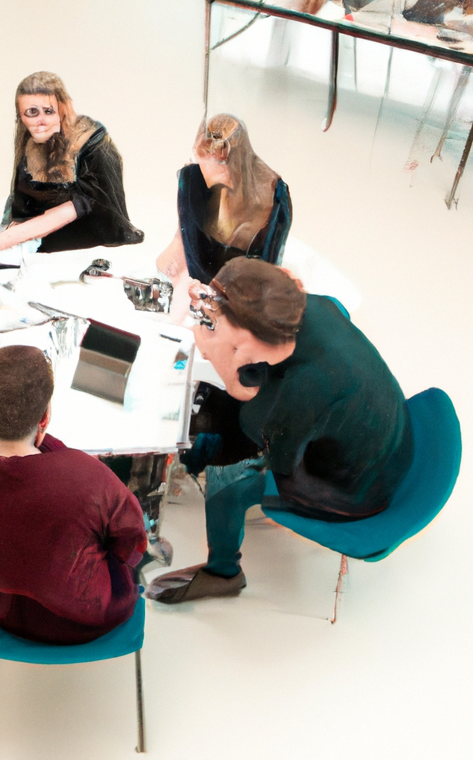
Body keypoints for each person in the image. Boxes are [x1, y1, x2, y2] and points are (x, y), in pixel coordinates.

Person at [148, 257, 414, 604]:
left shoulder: (304, 390)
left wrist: (218, 355)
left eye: (236, 344)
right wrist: (217, 305)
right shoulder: (313, 306)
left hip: (354, 490)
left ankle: (223, 572)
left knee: (226, 480)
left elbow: (277, 453)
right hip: (390, 442)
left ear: (254, 340)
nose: (229, 347)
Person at [0, 345, 147, 644]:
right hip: (90, 619)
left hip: (9, 615)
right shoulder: (88, 476)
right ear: (45, 416)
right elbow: (133, 541)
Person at [0, 72, 143, 264]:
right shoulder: (29, 144)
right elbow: (22, 204)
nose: (41, 121)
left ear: (62, 109)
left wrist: (1, 242)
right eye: (31, 112)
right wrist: (6, 239)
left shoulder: (92, 141)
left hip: (90, 237)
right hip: (40, 239)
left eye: (49, 111)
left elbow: (85, 206)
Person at [157, 114, 291, 286]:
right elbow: (175, 253)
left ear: (225, 162)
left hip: (240, 295)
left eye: (206, 164)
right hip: (200, 290)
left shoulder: (273, 201)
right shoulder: (193, 183)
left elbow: (265, 279)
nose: (202, 172)